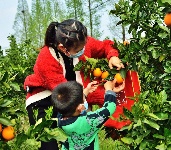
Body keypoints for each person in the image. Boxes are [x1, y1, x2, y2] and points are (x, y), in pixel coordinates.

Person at [24, 19, 124, 149]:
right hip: (43, 100)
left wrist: (112, 56)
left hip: (74, 95)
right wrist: (107, 93)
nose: (84, 50)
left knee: (76, 137)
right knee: (49, 144)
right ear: (62, 47)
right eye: (79, 49)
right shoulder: (46, 59)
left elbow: (105, 46)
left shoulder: (80, 42)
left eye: (84, 46)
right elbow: (68, 94)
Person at [51, 79, 125, 150]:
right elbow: (109, 108)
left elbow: (74, 106)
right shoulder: (88, 121)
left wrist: (86, 91)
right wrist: (109, 90)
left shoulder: (60, 115)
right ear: (80, 107)